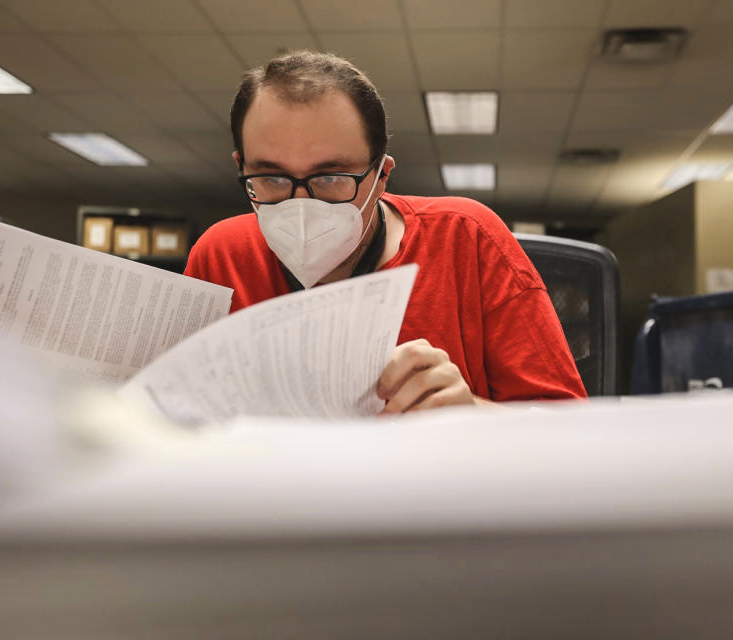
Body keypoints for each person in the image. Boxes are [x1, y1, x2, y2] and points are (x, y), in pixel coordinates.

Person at [184, 50, 586, 413]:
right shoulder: (221, 254)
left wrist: (471, 414)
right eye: (271, 177)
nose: (300, 205)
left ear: (381, 176)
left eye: (331, 177)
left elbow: (568, 430)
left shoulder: (467, 237)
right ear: (242, 166)